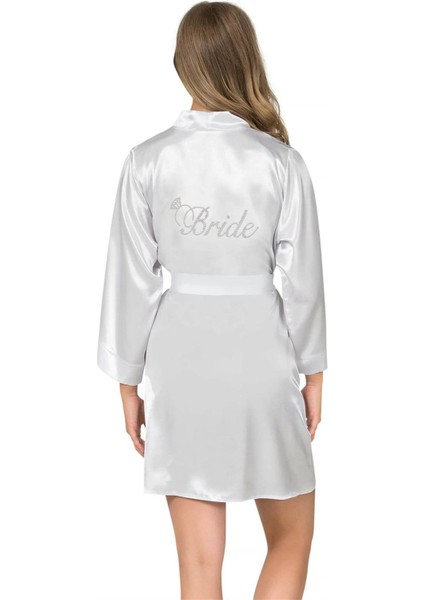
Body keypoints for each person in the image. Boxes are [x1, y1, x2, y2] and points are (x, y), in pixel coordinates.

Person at [96, 2, 328, 598]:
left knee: (198, 567)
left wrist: (127, 384)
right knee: (292, 537)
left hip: (181, 361)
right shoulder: (280, 162)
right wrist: (313, 373)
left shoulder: (147, 160)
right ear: (246, 59)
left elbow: (129, 280)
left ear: (182, 64)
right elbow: (303, 281)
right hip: (261, 356)